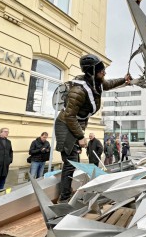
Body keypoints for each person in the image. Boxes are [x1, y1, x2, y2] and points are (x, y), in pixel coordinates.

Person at [54, 54, 131, 203]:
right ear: (93, 71)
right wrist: (80, 137)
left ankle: (67, 193)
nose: (104, 73)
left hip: (75, 125)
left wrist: (124, 80)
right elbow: (69, 116)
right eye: (102, 70)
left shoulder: (95, 82)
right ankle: (64, 200)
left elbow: (108, 84)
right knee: (70, 163)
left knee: (74, 160)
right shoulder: (78, 91)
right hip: (65, 126)